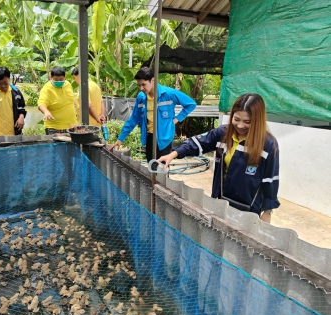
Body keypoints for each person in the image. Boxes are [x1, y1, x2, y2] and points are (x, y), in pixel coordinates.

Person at [157, 93, 279, 223]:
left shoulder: (268, 144)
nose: (240, 125)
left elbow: (270, 180)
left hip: (248, 211)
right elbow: (199, 142)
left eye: (247, 122)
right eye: (236, 119)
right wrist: (174, 154)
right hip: (219, 203)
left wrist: (267, 211)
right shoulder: (223, 134)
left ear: (257, 120)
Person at [108, 67, 197, 162]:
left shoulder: (168, 94)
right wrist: (120, 139)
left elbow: (191, 104)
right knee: (151, 166)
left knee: (162, 168)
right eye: (139, 85)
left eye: (143, 85)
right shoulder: (141, 97)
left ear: (152, 80)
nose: (141, 88)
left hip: (164, 137)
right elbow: (133, 119)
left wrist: (176, 120)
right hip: (149, 136)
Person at [38, 66, 77, 134]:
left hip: (71, 126)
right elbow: (41, 103)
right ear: (51, 77)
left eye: (61, 79)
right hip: (55, 128)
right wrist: (46, 111)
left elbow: (71, 100)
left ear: (65, 77)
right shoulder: (47, 89)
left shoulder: (68, 85)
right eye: (56, 79)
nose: (59, 81)